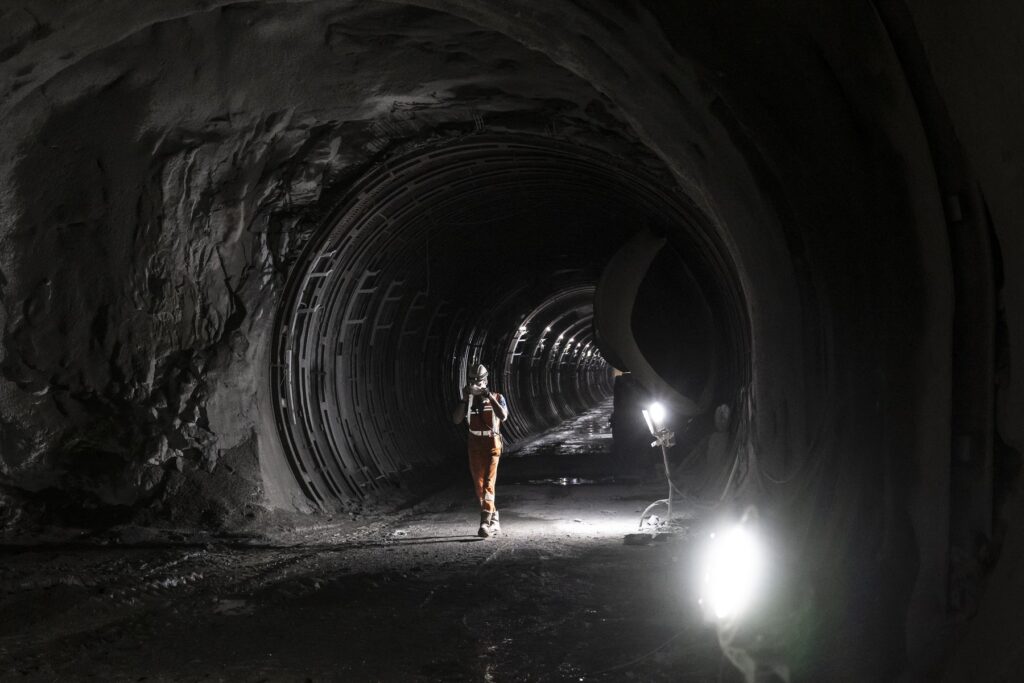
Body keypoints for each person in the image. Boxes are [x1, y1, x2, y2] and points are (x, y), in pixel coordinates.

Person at [452, 363, 509, 537]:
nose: (476, 384)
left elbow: (503, 416)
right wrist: (464, 398)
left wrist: (488, 396)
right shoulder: (468, 400)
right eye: (473, 381)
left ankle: (484, 522)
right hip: (474, 444)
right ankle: (494, 518)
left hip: (492, 444)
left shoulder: (498, 397)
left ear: (486, 381)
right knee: (479, 485)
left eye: (479, 381)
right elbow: (456, 420)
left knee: (488, 482)